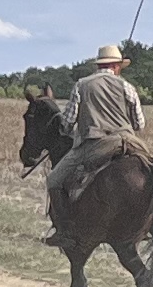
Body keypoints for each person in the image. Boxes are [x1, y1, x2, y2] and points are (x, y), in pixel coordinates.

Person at [37, 42, 145, 238]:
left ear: (99, 65)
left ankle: (64, 232)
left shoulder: (82, 85)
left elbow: (68, 122)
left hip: (96, 144)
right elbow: (139, 124)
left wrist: (72, 128)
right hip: (130, 143)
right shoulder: (128, 87)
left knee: (54, 180)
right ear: (117, 66)